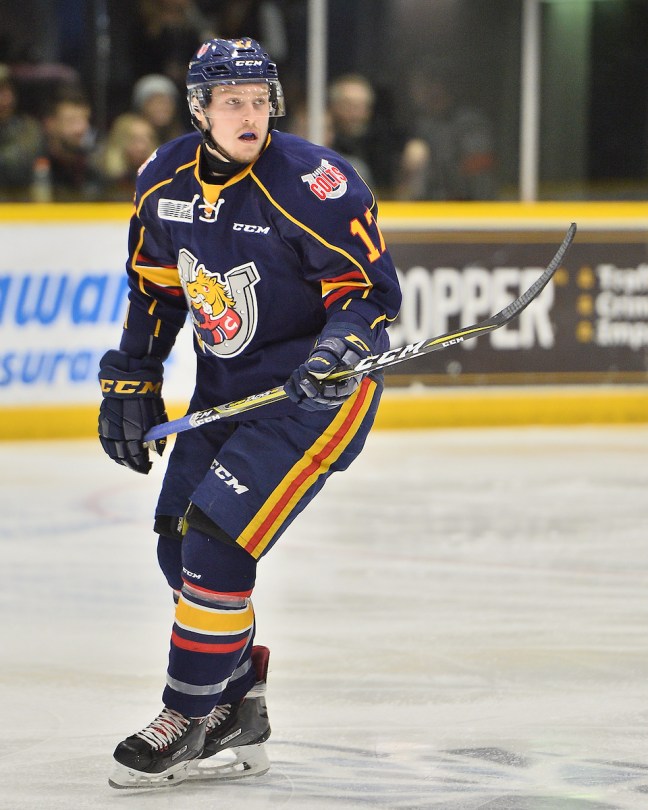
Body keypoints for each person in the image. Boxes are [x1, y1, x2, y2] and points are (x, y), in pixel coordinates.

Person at [97, 37, 401, 789]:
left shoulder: (314, 183)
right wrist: (131, 380)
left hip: (313, 401)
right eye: (232, 100)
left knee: (216, 544)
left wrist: (339, 352)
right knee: (176, 545)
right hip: (227, 392)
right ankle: (237, 705)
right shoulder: (163, 178)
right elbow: (156, 290)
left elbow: (365, 294)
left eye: (260, 99)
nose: (249, 113)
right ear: (199, 108)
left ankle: (185, 716)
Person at [397, 73, 497, 201]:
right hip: (425, 210)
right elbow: (407, 190)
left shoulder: (470, 124)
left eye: (434, 86)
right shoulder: (420, 125)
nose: (428, 93)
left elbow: (479, 177)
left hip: (467, 209)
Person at [327, 73, 406, 198]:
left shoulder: (381, 141)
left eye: (362, 106)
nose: (356, 113)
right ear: (333, 107)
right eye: (349, 105)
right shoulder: (325, 140)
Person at [41, 87, 104, 201]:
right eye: (71, 121)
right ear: (50, 124)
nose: (80, 129)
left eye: (85, 119)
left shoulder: (94, 169)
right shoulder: (31, 168)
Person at [0, 64, 43, 201]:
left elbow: (19, 170)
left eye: (7, 91)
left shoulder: (29, 129)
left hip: (19, 211)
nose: (4, 100)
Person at [98, 112, 159, 201]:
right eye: (135, 139)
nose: (142, 147)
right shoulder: (100, 174)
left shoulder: (162, 176)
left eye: (147, 139)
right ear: (120, 141)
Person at [131, 73, 187, 144]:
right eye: (155, 102)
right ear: (141, 107)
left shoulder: (184, 140)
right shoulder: (131, 141)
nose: (161, 108)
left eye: (166, 102)